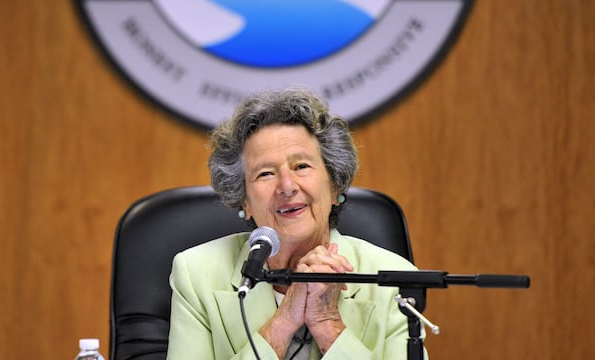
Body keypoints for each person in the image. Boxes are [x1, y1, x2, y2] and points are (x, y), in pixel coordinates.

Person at [168, 87, 424, 359]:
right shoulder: (196, 274)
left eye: (301, 166)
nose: (287, 186)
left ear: (335, 184)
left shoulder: (393, 276)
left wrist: (327, 324)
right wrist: (284, 320)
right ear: (243, 201)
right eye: (265, 173)